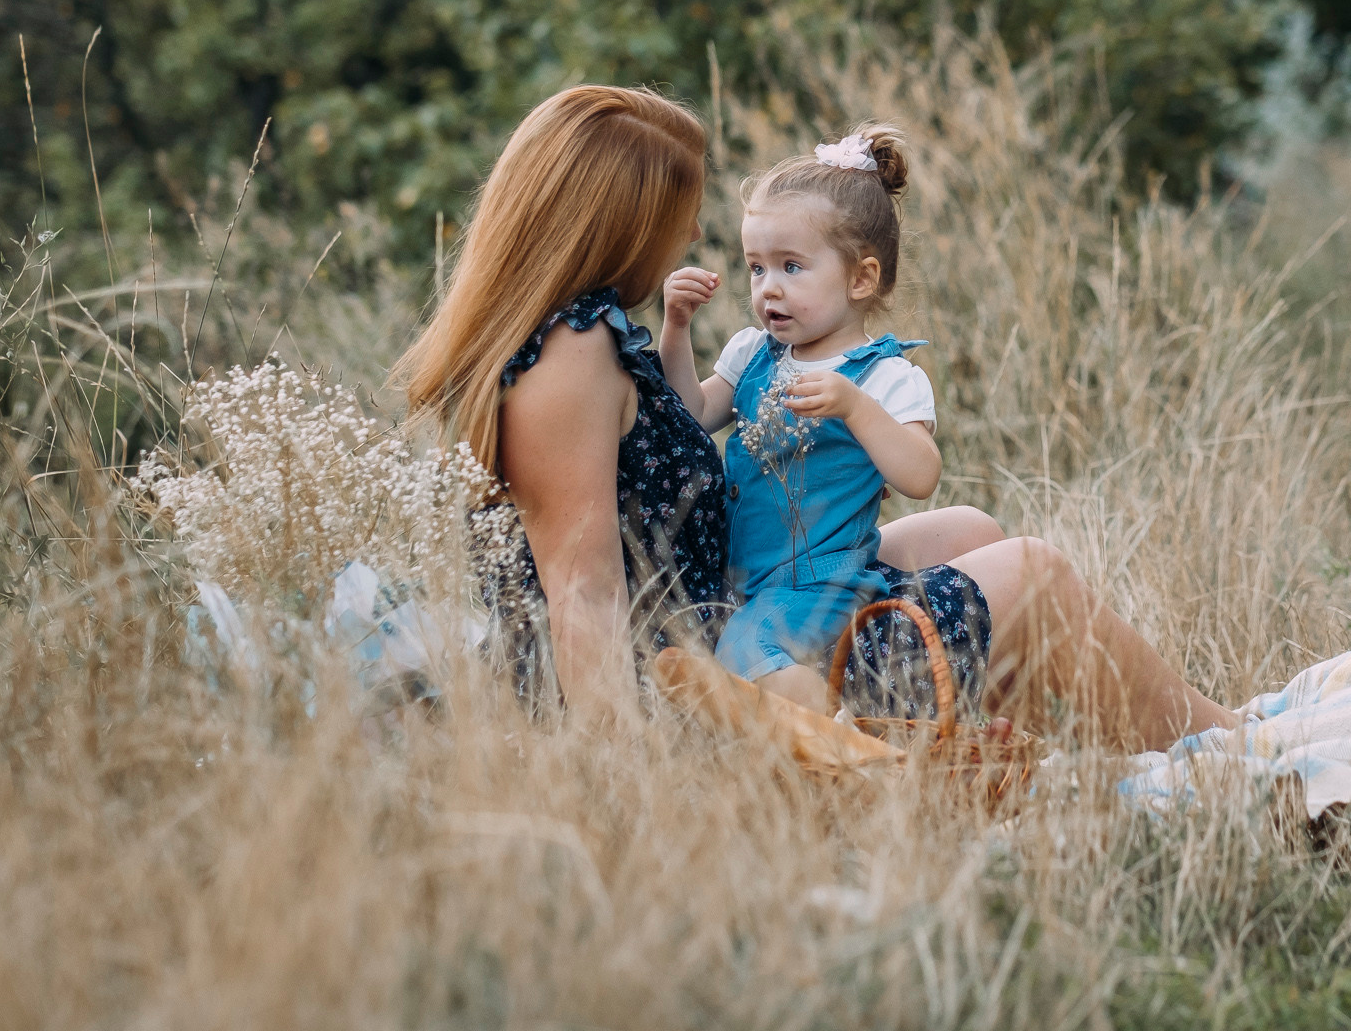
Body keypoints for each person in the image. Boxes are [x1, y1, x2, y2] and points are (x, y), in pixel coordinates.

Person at [395, 83, 1236, 749]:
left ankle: (1071, 745)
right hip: (724, 679)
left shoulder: (573, 337)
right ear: (620, 222)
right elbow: (581, 591)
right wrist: (625, 773)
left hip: (738, 600)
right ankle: (1224, 744)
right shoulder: (571, 356)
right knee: (1037, 572)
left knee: (968, 529)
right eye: (678, 212)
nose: (693, 230)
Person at [659, 122, 936, 713]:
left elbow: (920, 476)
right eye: (757, 268)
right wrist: (676, 328)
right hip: (748, 581)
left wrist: (855, 407)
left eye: (792, 267)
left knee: (745, 650)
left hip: (822, 583)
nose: (768, 290)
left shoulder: (883, 377)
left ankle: (843, 751)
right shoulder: (752, 354)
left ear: (862, 278)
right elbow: (693, 415)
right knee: (718, 650)